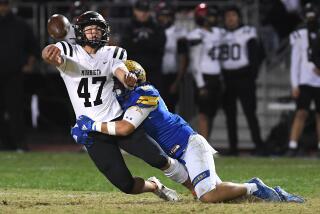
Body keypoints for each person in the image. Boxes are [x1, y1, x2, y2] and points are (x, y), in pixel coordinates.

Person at [75, 60, 304, 203]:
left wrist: (91, 126)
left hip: (188, 144)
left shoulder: (146, 93)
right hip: (178, 153)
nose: (116, 85)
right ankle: (258, 190)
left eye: (121, 80)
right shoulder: (121, 101)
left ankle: (256, 186)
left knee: (208, 195)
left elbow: (125, 127)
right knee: (219, 196)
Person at [42, 10, 190, 201]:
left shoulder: (113, 52)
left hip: (117, 120)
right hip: (91, 131)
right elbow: (52, 55)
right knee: (126, 185)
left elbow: (119, 69)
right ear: (80, 32)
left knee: (158, 158)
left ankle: (196, 188)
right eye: (89, 29)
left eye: (97, 29)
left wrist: (127, 78)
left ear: (105, 32)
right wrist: (48, 53)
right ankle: (155, 186)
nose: (94, 33)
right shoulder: (69, 51)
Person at [220, 5, 266, 156]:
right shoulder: (221, 34)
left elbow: (258, 54)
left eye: (233, 15)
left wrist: (252, 74)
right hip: (227, 77)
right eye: (228, 16)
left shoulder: (248, 32)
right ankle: (233, 147)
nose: (230, 19)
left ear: (239, 17)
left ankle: (259, 145)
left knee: (250, 112)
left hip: (244, 76)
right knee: (230, 114)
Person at [0, 0, 37, 151]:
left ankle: (20, 144)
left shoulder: (20, 24)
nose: (2, 7)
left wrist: (29, 64)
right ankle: (3, 144)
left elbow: (33, 47)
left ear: (8, 5)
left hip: (14, 74)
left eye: (4, 4)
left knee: (15, 110)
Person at [287, 2, 320, 156]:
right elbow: (295, 61)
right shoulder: (299, 35)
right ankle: (292, 146)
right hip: (305, 80)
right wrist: (295, 84)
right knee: (301, 113)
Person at [187, 2, 223, 140]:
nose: (212, 18)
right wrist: (201, 84)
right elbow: (195, 62)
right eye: (209, 16)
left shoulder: (218, 33)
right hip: (204, 77)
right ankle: (204, 146)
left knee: (211, 113)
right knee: (203, 113)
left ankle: (206, 143)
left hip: (216, 77)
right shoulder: (196, 34)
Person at [121, 0, 166, 92]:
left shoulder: (156, 26)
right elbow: (126, 46)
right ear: (135, 11)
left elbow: (160, 43)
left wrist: (137, 43)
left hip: (154, 70)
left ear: (150, 11)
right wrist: (148, 44)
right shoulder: (128, 27)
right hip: (134, 71)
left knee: (155, 99)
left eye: (145, 11)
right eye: (140, 10)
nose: (143, 14)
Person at [155, 1, 188, 113]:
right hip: (155, 75)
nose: (165, 19)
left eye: (167, 16)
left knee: (170, 109)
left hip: (171, 76)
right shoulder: (153, 31)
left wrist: (177, 81)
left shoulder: (179, 32)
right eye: (162, 16)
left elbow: (183, 58)